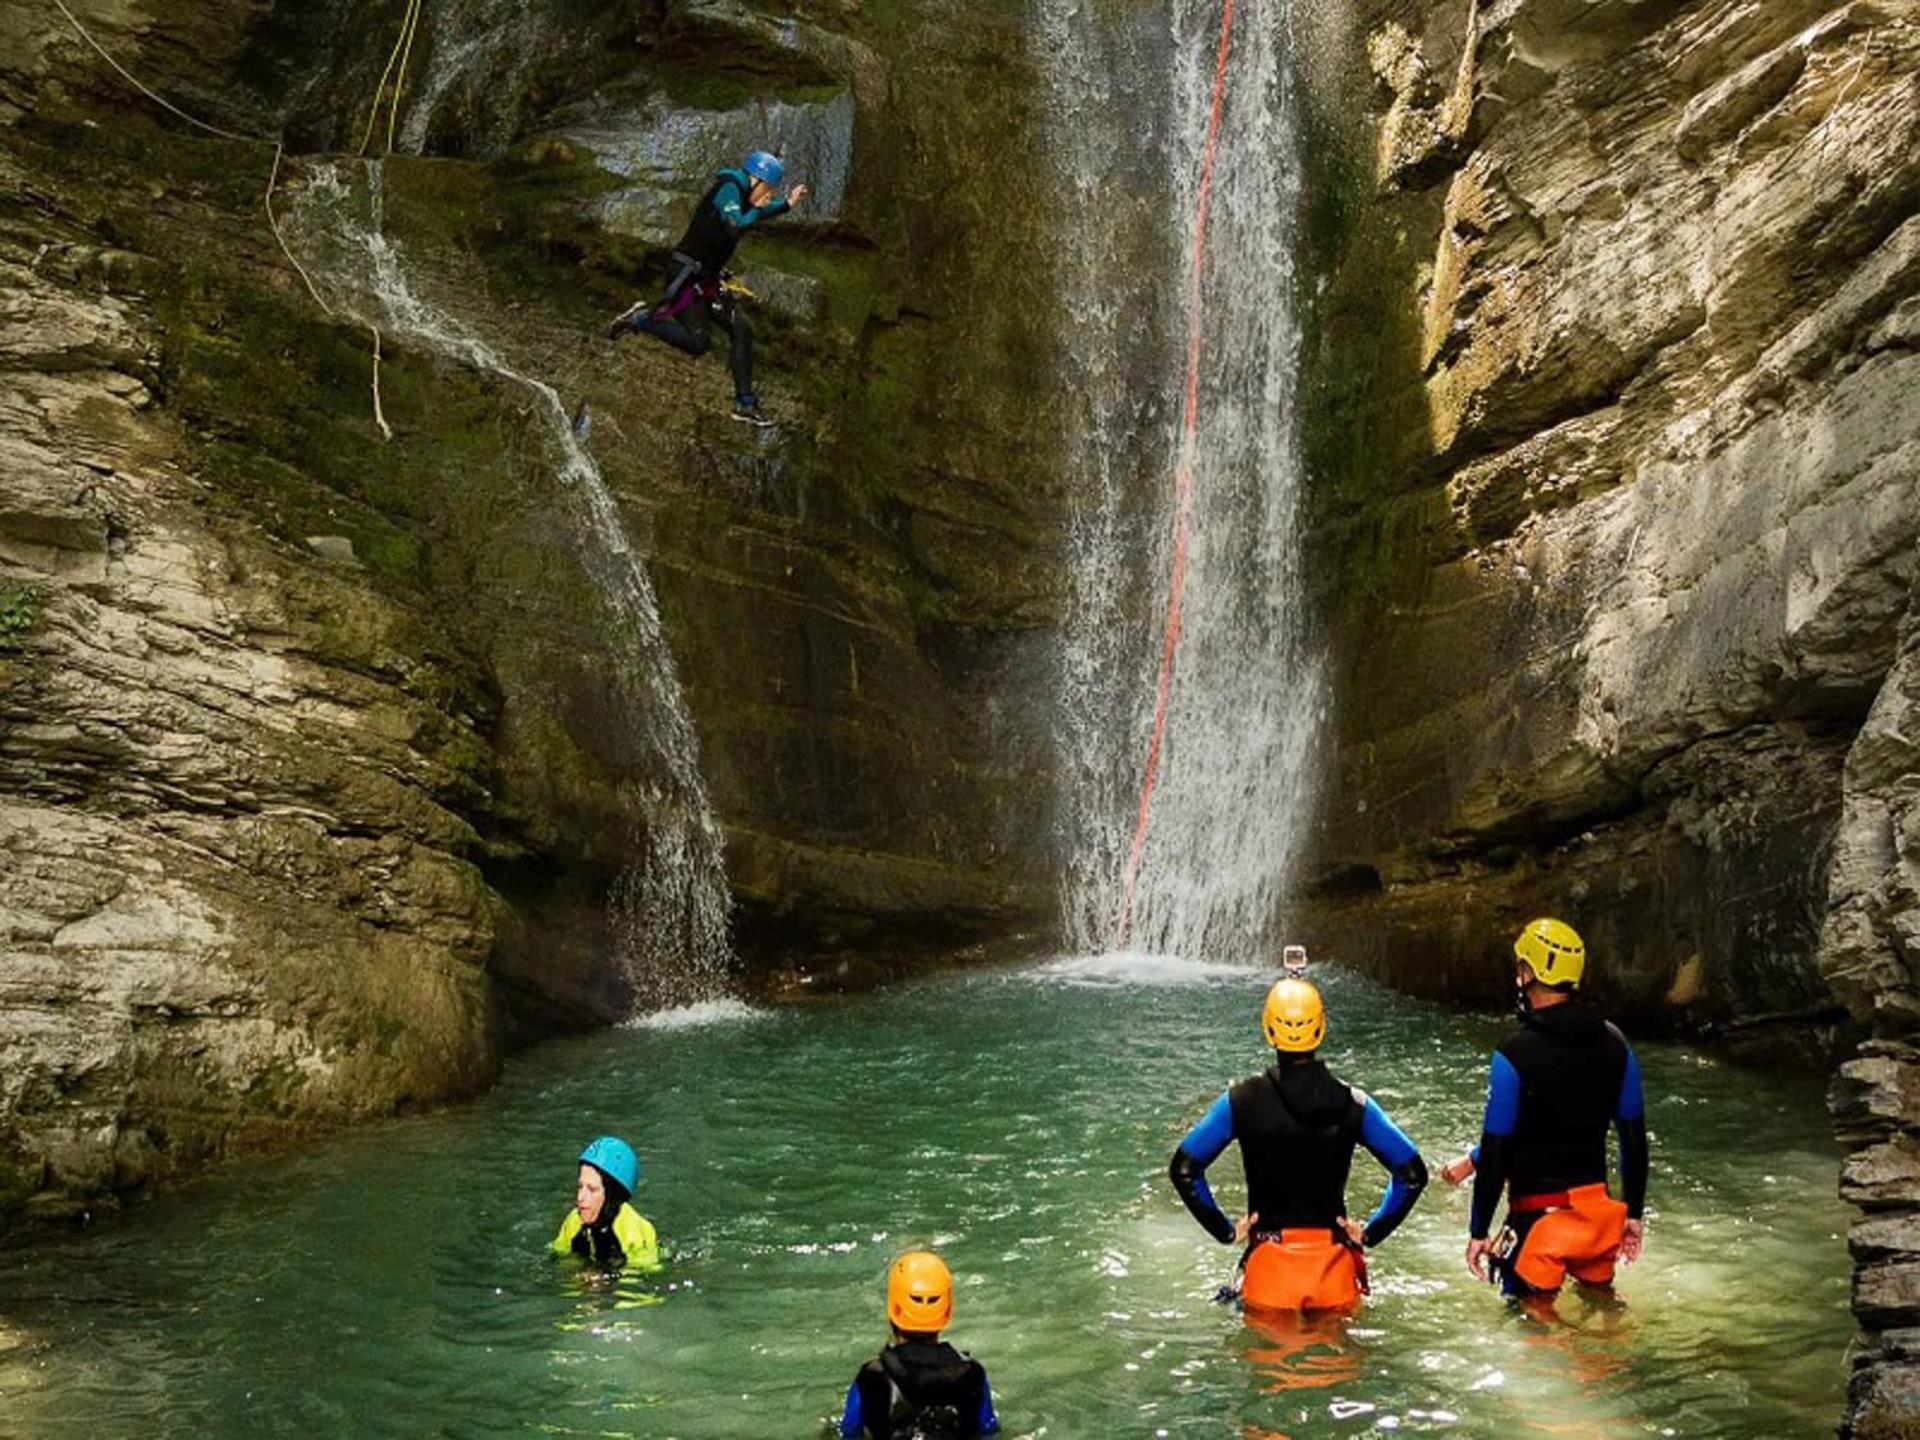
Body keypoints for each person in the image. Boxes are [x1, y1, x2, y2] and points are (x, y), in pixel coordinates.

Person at [1169, 976, 1428, 1312]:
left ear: (1269, 1029)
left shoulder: (1240, 1101)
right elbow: (1412, 1174)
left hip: (1270, 1273)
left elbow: (1185, 1169)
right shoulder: (1355, 1104)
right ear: (1320, 1028)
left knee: (1271, 1360)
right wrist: (1369, 1232)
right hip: (1332, 1271)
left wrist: (1226, 1231)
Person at [1442, 918, 1649, 1298]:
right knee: (1606, 1318)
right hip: (1599, 1221)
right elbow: (1633, 1137)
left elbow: (1498, 1147)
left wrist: (1477, 1232)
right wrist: (1633, 1214)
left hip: (1540, 1226)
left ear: (1527, 973)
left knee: (1534, 1335)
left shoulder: (1514, 1053)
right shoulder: (1617, 1043)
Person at [607, 148, 807, 428]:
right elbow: (735, 226)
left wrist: (786, 204)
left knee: (741, 328)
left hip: (706, 281)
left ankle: (745, 404)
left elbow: (753, 214)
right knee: (698, 343)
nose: (767, 194)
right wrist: (760, 208)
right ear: (757, 180)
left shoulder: (744, 197)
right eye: (768, 189)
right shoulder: (728, 188)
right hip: (686, 276)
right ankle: (641, 320)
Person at [839, 1251, 1000, 1438]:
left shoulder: (871, 1376)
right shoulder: (973, 1374)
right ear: (947, 1310)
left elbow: (849, 1432)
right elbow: (988, 1430)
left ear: (893, 1309)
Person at [550, 1135, 660, 1270]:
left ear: (611, 1195)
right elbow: (559, 1257)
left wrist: (607, 1281)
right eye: (580, 1186)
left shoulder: (633, 1232)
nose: (580, 1197)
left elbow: (640, 1279)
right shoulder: (573, 1221)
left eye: (592, 1189)